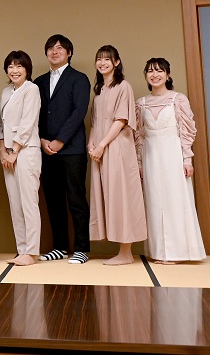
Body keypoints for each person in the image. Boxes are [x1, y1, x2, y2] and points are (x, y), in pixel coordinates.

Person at [135, 58, 206, 264]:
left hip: (173, 154)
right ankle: (159, 252)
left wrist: (187, 159)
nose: (154, 75)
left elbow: (187, 131)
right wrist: (139, 163)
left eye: (159, 71)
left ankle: (179, 252)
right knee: (154, 201)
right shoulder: (141, 103)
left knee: (176, 200)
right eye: (150, 71)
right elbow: (138, 136)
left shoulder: (178, 99)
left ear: (167, 75)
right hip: (150, 156)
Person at [34, 34, 92, 264]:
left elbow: (79, 112)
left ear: (69, 52)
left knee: (76, 199)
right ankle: (59, 246)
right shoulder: (38, 82)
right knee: (53, 199)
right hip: (45, 149)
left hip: (71, 149)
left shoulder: (79, 78)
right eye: (50, 48)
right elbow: (34, 114)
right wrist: (41, 140)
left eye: (60, 48)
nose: (54, 51)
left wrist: (59, 141)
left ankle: (81, 248)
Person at [88, 45, 147, 265]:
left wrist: (102, 144)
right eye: (99, 59)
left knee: (122, 196)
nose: (102, 63)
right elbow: (95, 122)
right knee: (107, 196)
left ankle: (126, 252)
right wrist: (91, 144)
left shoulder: (124, 86)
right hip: (101, 150)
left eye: (107, 59)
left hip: (118, 149)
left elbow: (121, 120)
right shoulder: (100, 89)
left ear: (117, 62)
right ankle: (120, 250)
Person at [0, 51, 42, 266]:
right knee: (15, 203)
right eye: (11, 66)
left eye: (19, 66)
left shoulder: (32, 89)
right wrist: (3, 151)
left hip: (26, 151)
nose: (14, 70)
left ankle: (32, 251)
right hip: (9, 153)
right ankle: (21, 249)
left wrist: (14, 150)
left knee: (28, 202)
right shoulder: (6, 92)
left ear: (27, 69)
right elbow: (1, 124)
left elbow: (28, 122)